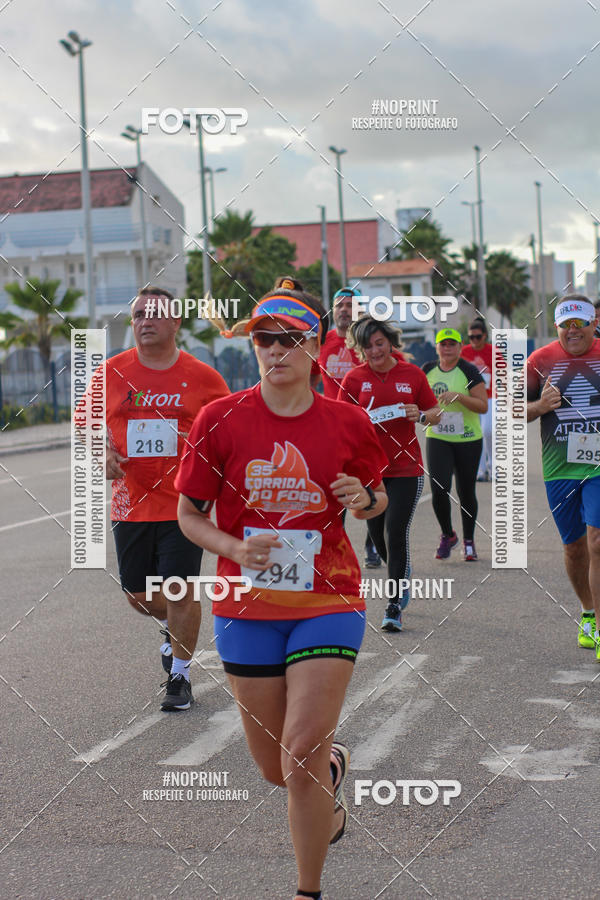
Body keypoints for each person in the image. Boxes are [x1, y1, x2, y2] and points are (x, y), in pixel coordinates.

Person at [175, 280, 388, 900]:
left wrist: (365, 500)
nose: (275, 350)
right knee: (280, 771)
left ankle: (307, 891)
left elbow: (377, 495)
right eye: (265, 338)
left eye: (290, 339)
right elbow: (189, 514)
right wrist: (236, 548)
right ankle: (331, 777)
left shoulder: (347, 422)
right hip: (245, 607)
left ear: (316, 347)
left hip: (330, 600)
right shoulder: (222, 419)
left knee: (297, 756)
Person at [102, 287, 230, 710]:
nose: (145, 321)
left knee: (179, 589)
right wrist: (102, 452)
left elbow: (226, 435)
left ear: (176, 321)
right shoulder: (112, 372)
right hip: (131, 502)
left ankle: (180, 677)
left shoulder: (204, 377)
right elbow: (86, 425)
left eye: (155, 314)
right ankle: (176, 630)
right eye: (138, 314)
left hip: (184, 503)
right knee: (138, 596)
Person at [338, 315, 439, 631]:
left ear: (391, 342)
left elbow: (435, 414)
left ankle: (393, 605)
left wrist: (420, 414)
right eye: (368, 346)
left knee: (395, 533)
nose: (375, 351)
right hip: (369, 473)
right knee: (377, 538)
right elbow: (339, 420)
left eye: (379, 343)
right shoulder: (354, 379)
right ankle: (401, 574)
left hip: (406, 469)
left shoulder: (411, 375)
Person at [527, 294, 600, 656]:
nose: (573, 331)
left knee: (597, 539)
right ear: (557, 326)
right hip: (559, 468)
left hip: (598, 466)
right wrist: (540, 405)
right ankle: (587, 611)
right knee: (574, 548)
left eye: (580, 323)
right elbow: (511, 411)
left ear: (594, 323)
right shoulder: (539, 361)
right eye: (565, 324)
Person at [311, 285, 382, 568]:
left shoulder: (368, 343)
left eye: (349, 305)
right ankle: (330, 546)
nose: (343, 309)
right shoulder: (321, 342)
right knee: (334, 489)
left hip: (367, 427)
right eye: (339, 304)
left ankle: (372, 544)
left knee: (369, 487)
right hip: (332, 429)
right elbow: (310, 380)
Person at [422, 328, 488, 561]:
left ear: (460, 348)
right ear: (437, 347)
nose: (447, 348)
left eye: (452, 344)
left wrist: (458, 397)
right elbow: (417, 399)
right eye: (443, 344)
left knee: (466, 491)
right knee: (439, 488)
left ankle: (469, 541)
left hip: (468, 438)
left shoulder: (468, 370)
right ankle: (448, 535)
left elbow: (483, 406)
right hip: (438, 436)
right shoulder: (427, 370)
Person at [461, 317, 498, 481]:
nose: (474, 340)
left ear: (484, 336)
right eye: (471, 337)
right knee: (476, 433)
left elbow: (503, 376)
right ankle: (480, 470)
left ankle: (494, 467)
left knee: (489, 431)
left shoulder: (494, 351)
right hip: (471, 399)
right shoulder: (464, 352)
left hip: (491, 397)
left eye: (477, 336)